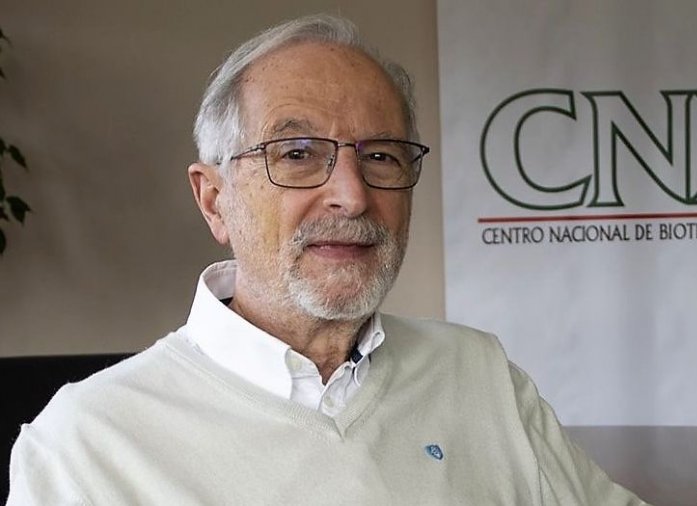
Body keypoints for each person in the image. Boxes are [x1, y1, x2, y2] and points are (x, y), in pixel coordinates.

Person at [6, 14, 650, 506]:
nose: (350, 193)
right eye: (296, 154)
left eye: (381, 156)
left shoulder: (480, 375)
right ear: (214, 202)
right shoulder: (85, 445)